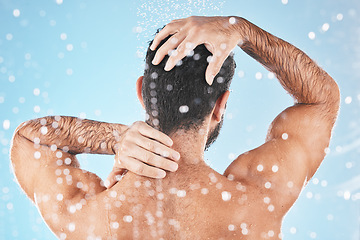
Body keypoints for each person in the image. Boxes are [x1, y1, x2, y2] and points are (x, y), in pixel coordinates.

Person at [10, 16, 340, 239]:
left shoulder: (91, 217)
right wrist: (242, 31)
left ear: (142, 92)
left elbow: (29, 139)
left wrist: (112, 137)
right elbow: (321, 99)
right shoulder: (256, 199)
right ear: (220, 105)